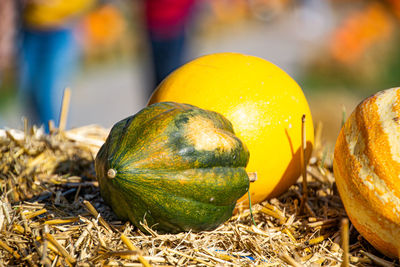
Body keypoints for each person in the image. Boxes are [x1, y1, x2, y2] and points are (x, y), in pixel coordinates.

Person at [18, 0, 94, 131]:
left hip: (62, 27)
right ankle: (39, 142)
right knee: (31, 94)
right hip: (29, 28)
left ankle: (55, 143)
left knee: (51, 95)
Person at [144, 0, 196, 97]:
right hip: (154, 22)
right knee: (159, 76)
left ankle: (174, 101)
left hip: (175, 22)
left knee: (173, 74)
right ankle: (158, 101)